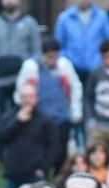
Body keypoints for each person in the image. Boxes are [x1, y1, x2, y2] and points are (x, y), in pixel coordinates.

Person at [15, 39, 83, 174]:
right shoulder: (31, 67)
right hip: (40, 119)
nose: (53, 60)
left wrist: (75, 110)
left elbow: (75, 87)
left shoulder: (64, 66)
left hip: (61, 118)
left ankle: (60, 177)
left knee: (61, 152)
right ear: (43, 54)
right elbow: (20, 89)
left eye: (55, 56)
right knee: (42, 152)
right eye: (49, 57)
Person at [0, 84, 59, 188]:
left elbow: (54, 146)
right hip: (13, 174)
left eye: (30, 97)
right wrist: (17, 121)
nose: (27, 100)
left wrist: (44, 168)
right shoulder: (9, 116)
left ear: (36, 98)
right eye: (24, 97)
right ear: (19, 98)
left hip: (35, 174)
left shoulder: (45, 120)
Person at [0, 0, 42, 112]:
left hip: (22, 80)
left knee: (22, 113)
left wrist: (34, 73)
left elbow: (37, 51)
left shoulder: (30, 23)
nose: (9, 1)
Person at [53, 0, 109, 82]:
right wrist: (65, 63)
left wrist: (103, 61)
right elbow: (58, 44)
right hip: (72, 69)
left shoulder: (102, 17)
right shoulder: (65, 18)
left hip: (97, 69)